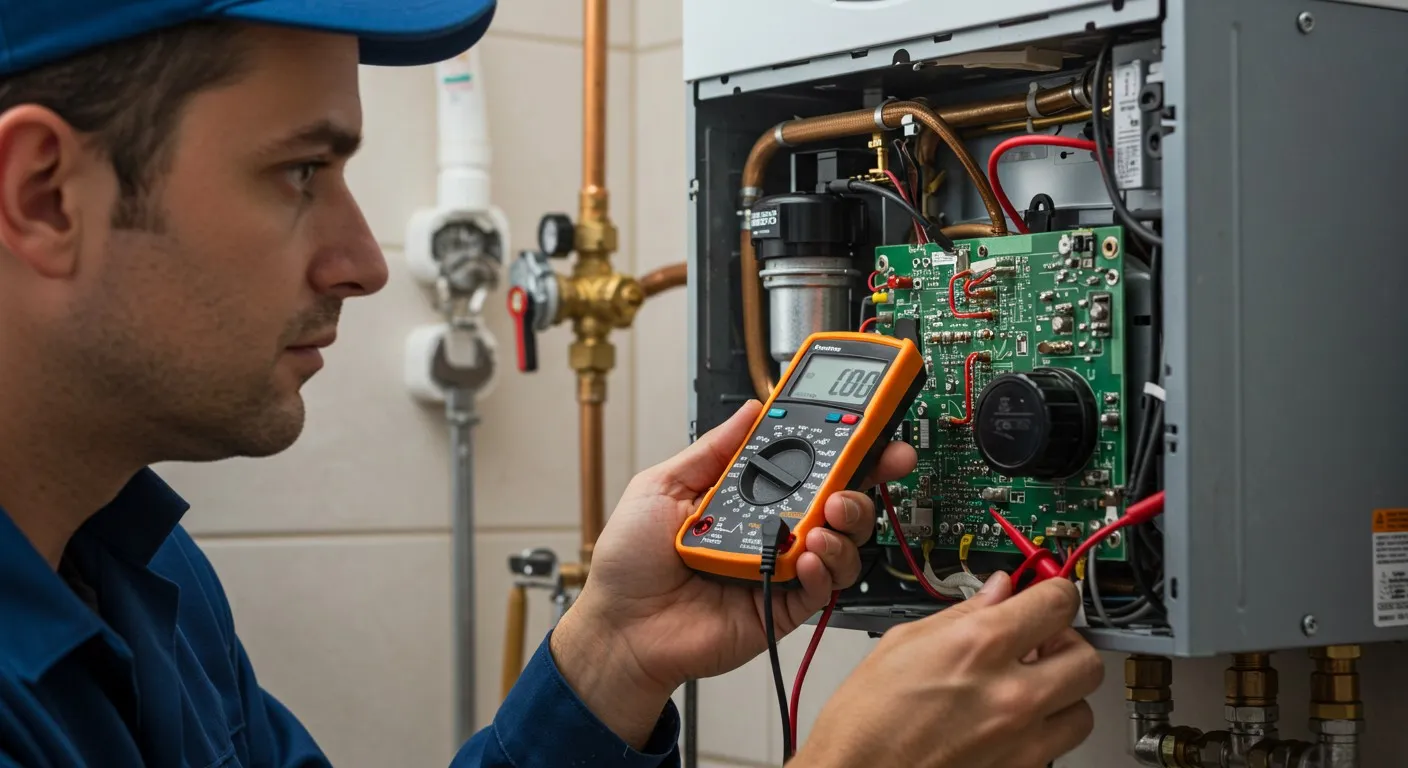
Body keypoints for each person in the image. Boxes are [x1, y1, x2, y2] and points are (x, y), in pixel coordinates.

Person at [0, 1, 1105, 766]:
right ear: (44, 194)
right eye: (299, 172)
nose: (365, 262)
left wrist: (612, 654)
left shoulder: (145, 574)